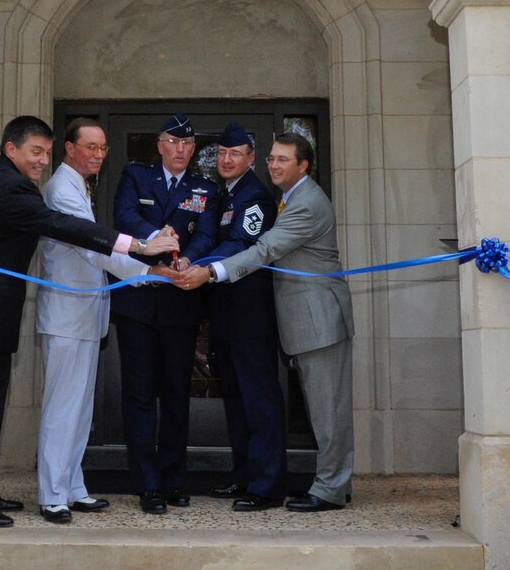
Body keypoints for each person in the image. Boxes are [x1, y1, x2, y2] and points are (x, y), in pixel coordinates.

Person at [0, 115, 179, 528]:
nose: (41, 161)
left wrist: (143, 264)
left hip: (13, 312)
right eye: (36, 152)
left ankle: (23, 488)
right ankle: (27, 496)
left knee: (68, 409)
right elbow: (73, 233)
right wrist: (142, 253)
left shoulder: (26, 182)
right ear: (10, 148)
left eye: (44, 153)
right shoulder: (18, 185)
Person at [176, 132, 355, 512]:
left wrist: (211, 272)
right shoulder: (289, 199)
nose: (274, 165)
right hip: (304, 321)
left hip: (319, 319)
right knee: (320, 410)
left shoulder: (306, 203)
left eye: (283, 159)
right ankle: (329, 483)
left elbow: (266, 249)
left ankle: (330, 490)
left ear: (303, 165)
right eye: (272, 159)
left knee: (328, 411)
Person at [35, 118, 173, 523]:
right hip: (65, 314)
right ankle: (52, 494)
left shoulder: (79, 185)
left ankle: (72, 486)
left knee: (79, 409)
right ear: (69, 148)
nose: (98, 154)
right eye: (90, 147)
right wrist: (148, 264)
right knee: (62, 407)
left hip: (83, 314)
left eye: (103, 148)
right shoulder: (62, 188)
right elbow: (93, 247)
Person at [110, 112, 219, 514]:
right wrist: (157, 238)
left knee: (176, 394)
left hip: (180, 302)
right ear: (160, 146)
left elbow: (208, 231)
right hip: (139, 302)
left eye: (188, 145)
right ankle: (147, 484)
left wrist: (189, 256)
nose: (181, 150)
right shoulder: (136, 176)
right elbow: (124, 216)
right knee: (139, 395)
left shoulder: (203, 187)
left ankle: (173, 479)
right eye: (173, 143)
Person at [201, 123, 287, 512]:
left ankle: (266, 486)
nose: (226, 159)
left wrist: (198, 265)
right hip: (226, 317)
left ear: (251, 159)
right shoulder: (223, 195)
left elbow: (240, 245)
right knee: (236, 400)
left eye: (235, 153)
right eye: (221, 153)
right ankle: (243, 475)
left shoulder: (255, 198)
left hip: (251, 318)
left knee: (259, 401)